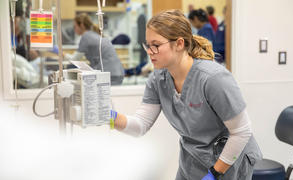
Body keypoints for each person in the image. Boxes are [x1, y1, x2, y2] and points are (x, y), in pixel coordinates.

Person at [110, 9, 262, 180]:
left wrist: (215, 173)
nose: (150, 51)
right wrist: (110, 117)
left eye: (156, 45)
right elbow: (140, 125)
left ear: (179, 44)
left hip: (229, 161)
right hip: (192, 160)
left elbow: (241, 132)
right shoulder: (158, 79)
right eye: (147, 45)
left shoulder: (213, 79)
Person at [67, 13, 124, 85]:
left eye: (75, 26)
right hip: (117, 72)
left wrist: (60, 54)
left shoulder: (86, 36)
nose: (74, 29)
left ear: (81, 25)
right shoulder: (95, 34)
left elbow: (74, 59)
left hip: (109, 73)